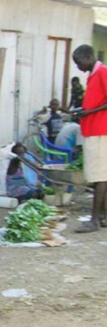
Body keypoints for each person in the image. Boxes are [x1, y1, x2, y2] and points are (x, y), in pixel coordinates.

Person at [72, 45, 107, 233]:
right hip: (93, 129)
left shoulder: (102, 72)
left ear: (89, 56)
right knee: (100, 175)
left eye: (79, 63)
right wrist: (82, 112)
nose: (78, 67)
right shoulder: (93, 74)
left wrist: (89, 112)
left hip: (100, 130)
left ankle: (94, 220)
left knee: (99, 176)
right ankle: (102, 216)